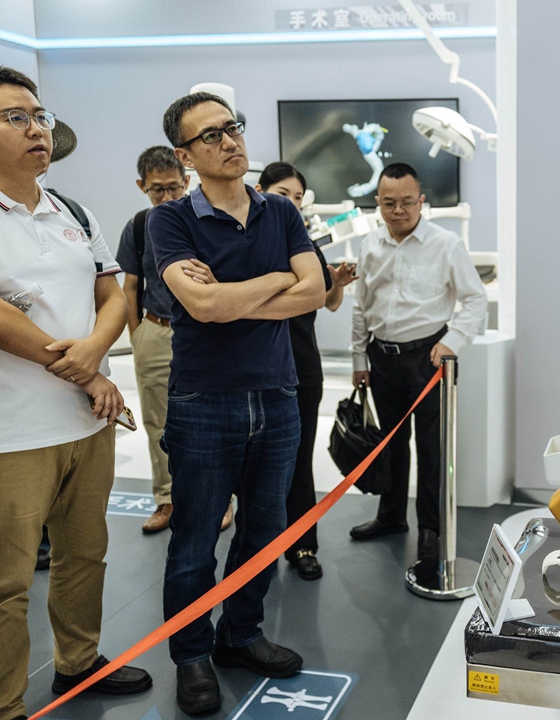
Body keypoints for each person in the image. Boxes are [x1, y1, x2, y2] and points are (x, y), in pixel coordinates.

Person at [0, 65, 150, 720]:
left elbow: (114, 291)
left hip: (84, 423)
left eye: (39, 116)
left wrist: (99, 352)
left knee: (85, 556)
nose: (36, 128)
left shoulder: (71, 209)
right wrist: (90, 372)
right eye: (15, 117)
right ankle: (0, 708)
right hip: (10, 431)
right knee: (6, 583)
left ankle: (78, 661)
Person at [149, 92, 326, 716]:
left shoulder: (279, 211)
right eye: (212, 135)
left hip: (277, 395)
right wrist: (278, 280)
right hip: (204, 401)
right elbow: (201, 308)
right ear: (185, 154)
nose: (230, 141)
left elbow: (314, 292)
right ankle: (191, 654)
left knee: (264, 531)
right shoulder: (169, 221)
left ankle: (241, 633)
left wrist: (239, 293)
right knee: (194, 540)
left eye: (234, 127)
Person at [349, 163, 488, 582]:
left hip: (428, 358)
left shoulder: (445, 244)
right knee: (389, 445)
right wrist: (359, 359)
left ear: (421, 201)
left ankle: (431, 530)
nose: (398, 211)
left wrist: (451, 343)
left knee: (433, 450)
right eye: (389, 203)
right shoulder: (370, 245)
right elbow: (360, 305)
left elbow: (475, 299)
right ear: (378, 202)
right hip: (382, 358)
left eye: (407, 202)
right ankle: (391, 516)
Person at [115, 147, 237, 535]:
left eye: (172, 188)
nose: (165, 197)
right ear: (141, 187)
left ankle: (220, 501)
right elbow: (131, 285)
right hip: (155, 329)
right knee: (157, 423)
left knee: (214, 421)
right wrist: (138, 335)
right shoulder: (138, 226)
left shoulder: (204, 221)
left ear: (186, 180)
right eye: (156, 191)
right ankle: (166, 500)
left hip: (204, 333)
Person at [255, 161, 357, 580]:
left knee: (299, 460)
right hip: (257, 370)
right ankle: (259, 547)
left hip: (302, 371)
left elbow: (324, 302)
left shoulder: (307, 246)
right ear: (259, 191)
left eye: (298, 198)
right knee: (256, 465)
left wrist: (335, 287)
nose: (292, 204)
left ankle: (302, 545)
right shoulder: (249, 242)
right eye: (283, 194)